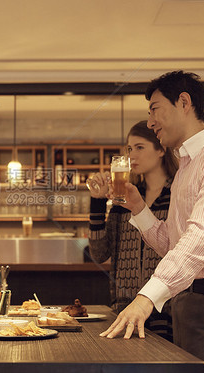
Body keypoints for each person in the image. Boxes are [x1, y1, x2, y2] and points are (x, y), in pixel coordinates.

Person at [100, 71, 204, 373]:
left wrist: (147, 297)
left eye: (155, 109)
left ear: (184, 102)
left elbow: (201, 238)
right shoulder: (186, 167)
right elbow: (171, 244)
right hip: (188, 299)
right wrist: (137, 206)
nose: (150, 121)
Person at [87, 120, 177, 341]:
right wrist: (97, 202)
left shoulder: (177, 194)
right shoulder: (124, 198)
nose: (132, 155)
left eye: (139, 147)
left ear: (161, 150)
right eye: (129, 149)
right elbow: (99, 254)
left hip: (168, 311)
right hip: (124, 310)